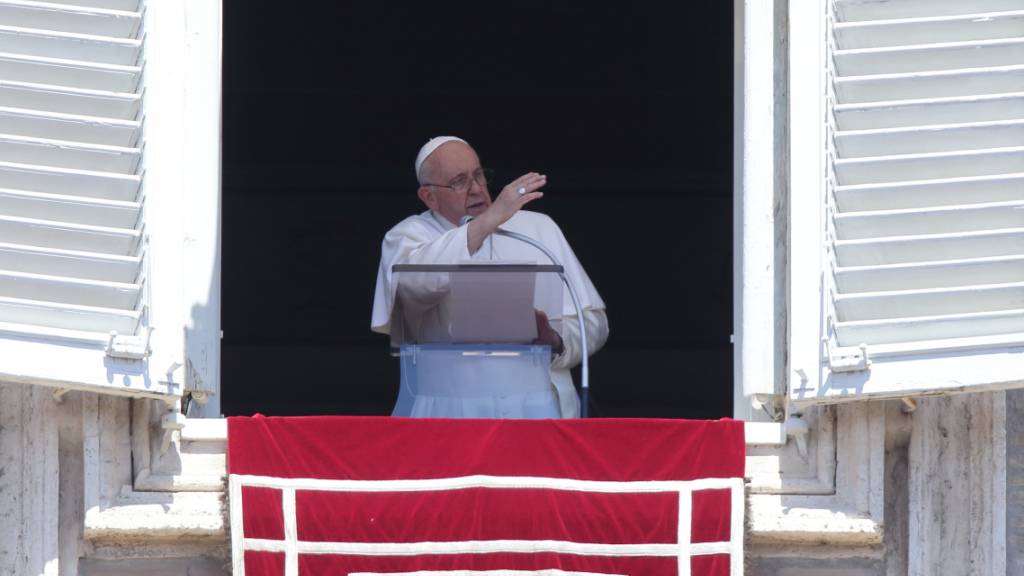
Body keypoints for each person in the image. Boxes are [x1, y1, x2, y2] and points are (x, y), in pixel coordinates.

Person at [371, 136, 608, 418]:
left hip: (534, 410)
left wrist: (555, 339)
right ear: (429, 196)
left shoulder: (539, 229)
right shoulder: (408, 237)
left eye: (479, 175)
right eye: (459, 181)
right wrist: (487, 221)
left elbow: (593, 323)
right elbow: (411, 286)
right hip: (448, 413)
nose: (476, 189)